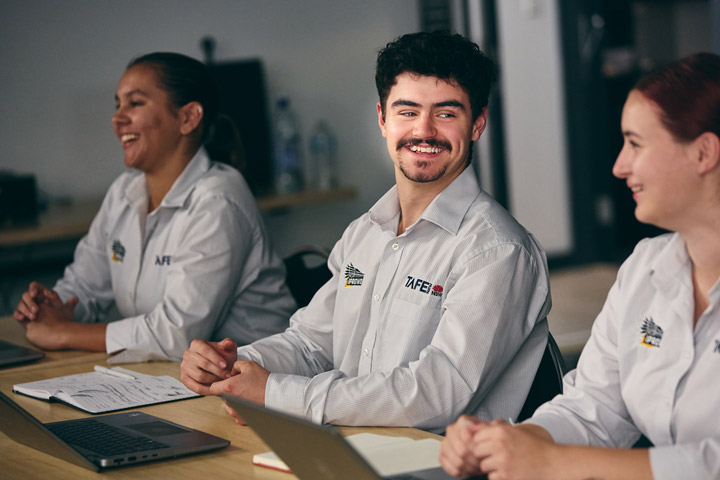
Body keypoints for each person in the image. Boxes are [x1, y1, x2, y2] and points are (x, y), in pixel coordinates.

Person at [180, 31, 551, 432]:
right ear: (382, 119)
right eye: (407, 112)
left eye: (446, 114)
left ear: (477, 124)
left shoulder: (498, 250)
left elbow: (437, 395)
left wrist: (275, 393)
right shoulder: (365, 233)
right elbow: (311, 344)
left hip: (434, 469)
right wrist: (230, 364)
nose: (423, 131)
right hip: (348, 446)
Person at [440, 52, 720, 480]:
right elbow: (596, 406)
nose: (619, 166)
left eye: (636, 144)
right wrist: (512, 442)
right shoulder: (646, 267)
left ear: (704, 153)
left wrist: (556, 463)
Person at [13, 52, 296, 361]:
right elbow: (86, 284)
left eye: (134, 103)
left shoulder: (218, 200)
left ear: (188, 118)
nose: (118, 119)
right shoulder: (124, 191)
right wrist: (55, 306)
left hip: (251, 381)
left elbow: (177, 335)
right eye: (117, 104)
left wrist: (62, 333)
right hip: (169, 377)